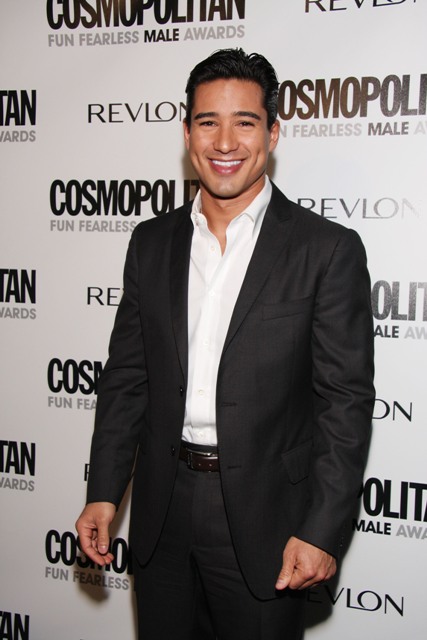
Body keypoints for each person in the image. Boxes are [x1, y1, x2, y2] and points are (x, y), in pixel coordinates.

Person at [76, 48, 375, 639]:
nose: (225, 142)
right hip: (161, 510)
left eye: (246, 122)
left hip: (269, 520)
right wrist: (105, 492)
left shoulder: (326, 250)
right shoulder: (150, 242)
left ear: (273, 133)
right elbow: (127, 378)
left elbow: (345, 404)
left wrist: (321, 530)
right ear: (187, 132)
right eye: (208, 121)